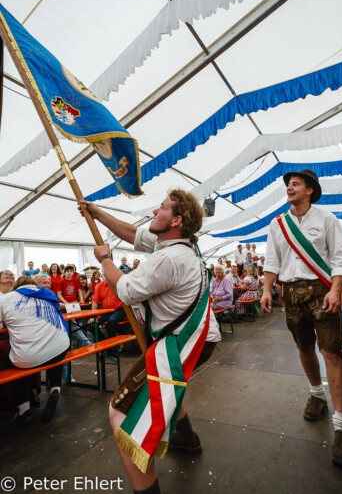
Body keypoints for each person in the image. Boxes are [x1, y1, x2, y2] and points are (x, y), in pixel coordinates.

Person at [78, 189, 221, 494]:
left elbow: (126, 290)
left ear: (177, 220)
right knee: (167, 387)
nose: (155, 211)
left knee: (122, 412)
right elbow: (132, 233)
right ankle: (186, 438)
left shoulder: (166, 258)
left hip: (182, 341)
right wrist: (96, 212)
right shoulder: (175, 244)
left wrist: (105, 259)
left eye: (162, 208)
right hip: (200, 337)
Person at [260, 168, 342, 466]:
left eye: (295, 184)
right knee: (304, 348)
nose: (289, 187)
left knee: (332, 353)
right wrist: (266, 289)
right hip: (292, 293)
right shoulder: (278, 224)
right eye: (288, 184)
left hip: (321, 291)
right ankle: (316, 395)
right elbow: (272, 261)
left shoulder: (327, 219)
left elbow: (340, 258)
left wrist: (336, 289)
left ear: (310, 189)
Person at [0, 276, 70, 422]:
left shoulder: (6, 299)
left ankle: (23, 408)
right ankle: (55, 388)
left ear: (16, 286)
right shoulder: (48, 294)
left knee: (13, 364)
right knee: (53, 345)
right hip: (62, 348)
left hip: (29, 358)